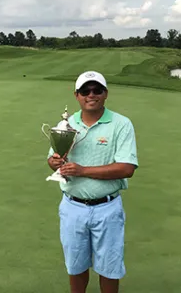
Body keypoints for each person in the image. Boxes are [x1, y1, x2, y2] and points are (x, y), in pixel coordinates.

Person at [47, 71, 139, 293]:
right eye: (85, 91)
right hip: (72, 207)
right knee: (76, 266)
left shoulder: (121, 124)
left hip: (107, 208)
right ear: (76, 95)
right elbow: (53, 160)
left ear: (105, 93)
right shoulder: (66, 124)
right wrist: (55, 162)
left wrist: (82, 170)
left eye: (97, 90)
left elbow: (127, 168)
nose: (91, 95)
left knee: (109, 268)